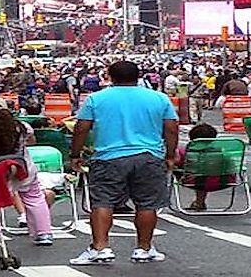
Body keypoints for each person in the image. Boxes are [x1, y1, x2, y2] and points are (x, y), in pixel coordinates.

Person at [69, 61, 178, 265]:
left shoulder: (96, 98)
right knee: (147, 204)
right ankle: (143, 248)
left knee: (102, 201)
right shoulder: (159, 98)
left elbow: (81, 128)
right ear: (138, 76)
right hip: (149, 156)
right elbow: (171, 128)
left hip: (108, 157)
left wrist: (75, 154)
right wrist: (170, 155)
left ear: (110, 76)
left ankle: (100, 247)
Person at [0, 97, 54, 246]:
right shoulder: (21, 126)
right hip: (23, 168)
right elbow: (32, 141)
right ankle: (43, 233)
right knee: (34, 198)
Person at [175, 123, 233, 211]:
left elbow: (177, 162)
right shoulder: (223, 153)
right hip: (225, 181)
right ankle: (199, 202)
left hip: (193, 181)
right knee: (206, 172)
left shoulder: (185, 152)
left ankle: (199, 202)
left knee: (194, 173)